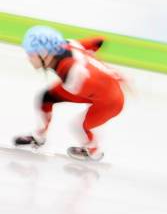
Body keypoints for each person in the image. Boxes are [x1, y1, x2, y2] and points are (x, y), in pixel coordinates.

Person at [14, 25, 124, 161]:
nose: (28, 58)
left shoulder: (72, 73)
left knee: (79, 126)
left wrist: (111, 74)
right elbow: (98, 40)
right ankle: (39, 137)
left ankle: (93, 150)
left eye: (30, 53)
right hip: (98, 88)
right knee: (47, 98)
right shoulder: (68, 44)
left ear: (44, 53)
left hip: (110, 102)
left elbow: (80, 80)